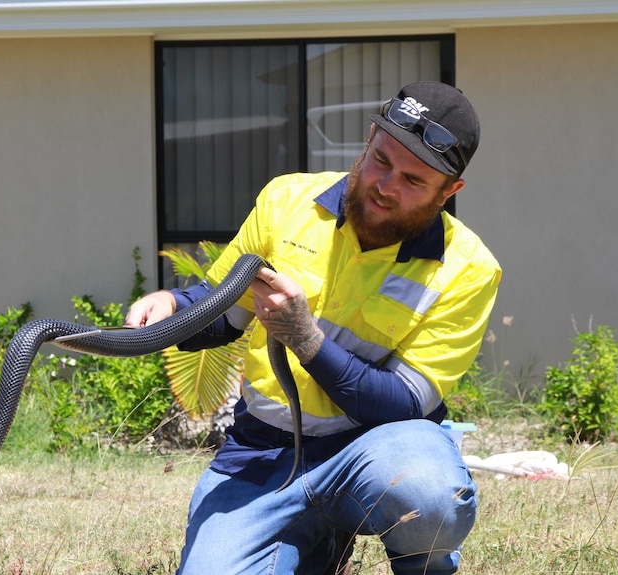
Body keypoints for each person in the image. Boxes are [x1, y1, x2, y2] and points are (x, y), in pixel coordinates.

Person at [125, 81, 501, 575]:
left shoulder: (468, 268)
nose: (386, 186)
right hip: (264, 449)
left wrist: (305, 339)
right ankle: (318, 542)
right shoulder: (287, 202)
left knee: (428, 492)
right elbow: (222, 314)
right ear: (369, 138)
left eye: (414, 181)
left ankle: (420, 564)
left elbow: (402, 404)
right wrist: (171, 303)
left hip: (372, 450)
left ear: (449, 191)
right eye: (381, 161)